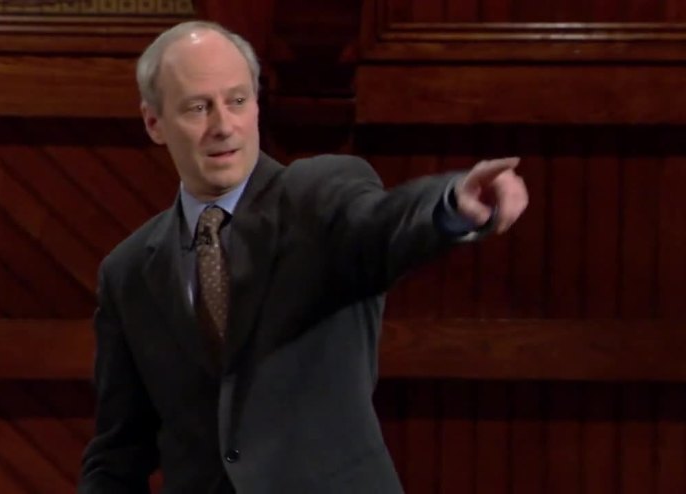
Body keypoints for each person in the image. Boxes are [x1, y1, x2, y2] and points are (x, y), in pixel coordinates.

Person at [78, 20, 528, 494]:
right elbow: (118, 451)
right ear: (154, 122)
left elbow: (381, 223)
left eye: (237, 100)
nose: (223, 126)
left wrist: (450, 204)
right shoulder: (129, 271)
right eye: (198, 107)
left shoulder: (315, 196)